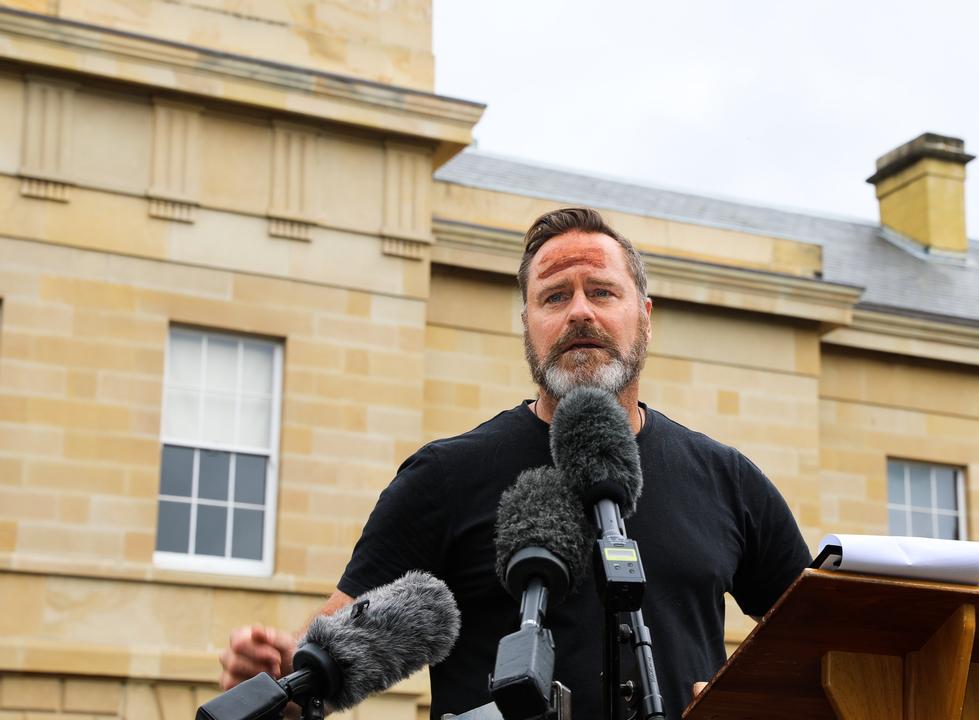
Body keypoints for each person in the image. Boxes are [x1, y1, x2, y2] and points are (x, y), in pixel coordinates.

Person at [219, 207, 812, 718]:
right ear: (527, 324)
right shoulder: (446, 476)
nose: (581, 312)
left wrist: (756, 702)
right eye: (555, 296)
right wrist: (280, 677)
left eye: (602, 291)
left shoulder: (727, 480)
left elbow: (827, 650)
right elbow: (324, 656)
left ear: (645, 315)